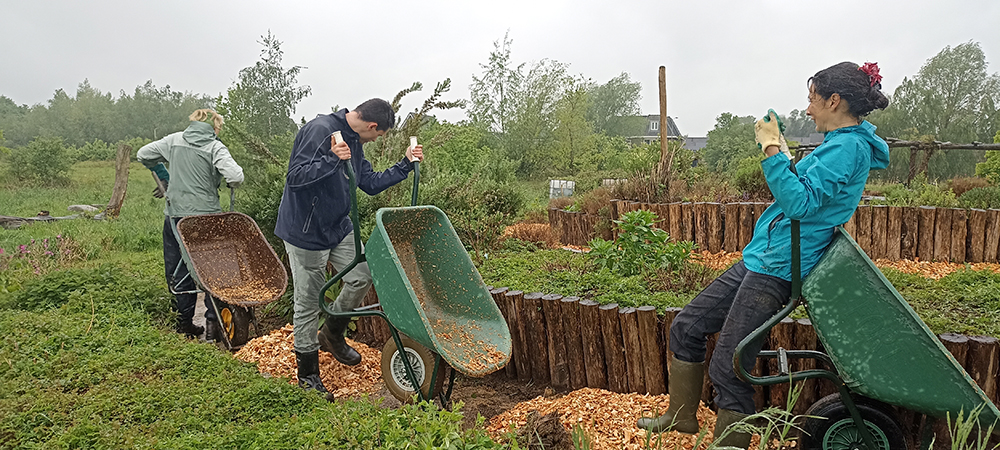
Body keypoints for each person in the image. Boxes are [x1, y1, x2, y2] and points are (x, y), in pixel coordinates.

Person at [636, 62, 890, 448]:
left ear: (834, 100)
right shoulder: (838, 144)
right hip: (765, 257)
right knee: (687, 326)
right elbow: (806, 188)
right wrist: (784, 151)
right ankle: (681, 417)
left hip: (782, 268)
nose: (808, 109)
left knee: (731, 364)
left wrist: (771, 149)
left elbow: (799, 203)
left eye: (812, 100)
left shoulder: (848, 148)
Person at [274, 98, 423, 397]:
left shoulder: (354, 140)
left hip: (338, 228)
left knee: (362, 275)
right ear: (371, 126)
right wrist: (330, 159)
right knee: (308, 300)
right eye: (379, 135)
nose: (377, 139)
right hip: (306, 232)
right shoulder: (319, 130)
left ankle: (332, 333)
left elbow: (366, 182)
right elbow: (295, 178)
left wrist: (405, 165)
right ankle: (308, 375)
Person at [138, 109, 245, 340]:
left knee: (178, 266)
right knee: (211, 269)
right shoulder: (215, 146)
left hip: (176, 217)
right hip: (206, 220)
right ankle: (213, 324)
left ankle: (184, 323)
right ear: (215, 128)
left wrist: (163, 175)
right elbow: (235, 176)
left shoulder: (174, 140)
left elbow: (143, 154)